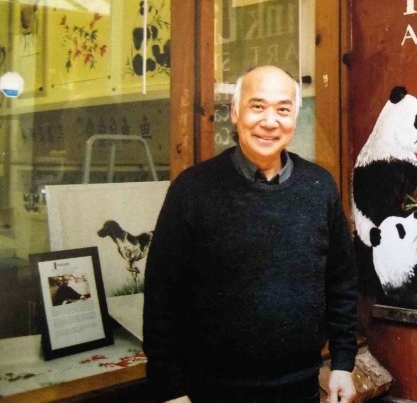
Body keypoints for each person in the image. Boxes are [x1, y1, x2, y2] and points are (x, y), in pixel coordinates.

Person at [143, 66, 358, 403]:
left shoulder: (320, 187)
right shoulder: (192, 190)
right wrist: (170, 388)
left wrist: (344, 362)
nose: (270, 121)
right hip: (208, 392)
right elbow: (160, 295)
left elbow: (341, 282)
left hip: (300, 391)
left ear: (295, 116)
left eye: (283, 109)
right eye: (257, 106)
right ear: (235, 112)